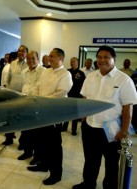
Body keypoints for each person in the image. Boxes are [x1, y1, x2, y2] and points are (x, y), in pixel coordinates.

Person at [73, 45, 137, 189]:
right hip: (90, 127)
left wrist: (124, 131)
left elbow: (128, 108)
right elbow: (84, 98)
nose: (102, 60)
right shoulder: (90, 77)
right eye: (99, 57)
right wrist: (83, 119)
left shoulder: (124, 80)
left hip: (111, 131)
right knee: (90, 160)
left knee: (112, 163)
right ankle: (88, 184)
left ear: (114, 59)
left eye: (106, 57)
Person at [27, 48, 73, 185]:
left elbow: (61, 93)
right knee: (41, 142)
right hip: (41, 111)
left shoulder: (65, 74)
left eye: (52, 56)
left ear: (61, 58)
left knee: (54, 146)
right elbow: (37, 86)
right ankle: (43, 165)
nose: (48, 58)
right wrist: (36, 98)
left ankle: (56, 173)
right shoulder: (46, 71)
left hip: (54, 115)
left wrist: (42, 101)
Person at [17, 50, 45, 161]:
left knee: (37, 134)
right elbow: (23, 87)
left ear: (38, 59)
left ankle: (37, 157)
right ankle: (27, 152)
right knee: (26, 132)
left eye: (33, 58)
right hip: (25, 105)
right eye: (28, 59)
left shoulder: (44, 71)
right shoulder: (24, 72)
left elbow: (40, 89)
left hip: (37, 106)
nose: (31, 61)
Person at [2, 45, 28, 146]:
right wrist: (8, 92)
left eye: (23, 51)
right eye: (19, 51)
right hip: (12, 95)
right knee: (10, 117)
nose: (21, 53)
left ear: (26, 53)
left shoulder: (28, 64)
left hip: (23, 96)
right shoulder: (12, 63)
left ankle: (23, 142)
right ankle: (9, 139)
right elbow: (8, 79)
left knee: (22, 118)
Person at [61, 57, 86, 135]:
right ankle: (64, 127)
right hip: (68, 95)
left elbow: (83, 85)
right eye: (71, 62)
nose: (72, 63)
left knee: (75, 113)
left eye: (74, 62)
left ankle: (74, 130)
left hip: (77, 96)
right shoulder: (67, 71)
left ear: (77, 63)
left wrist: (82, 95)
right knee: (66, 112)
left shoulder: (81, 73)